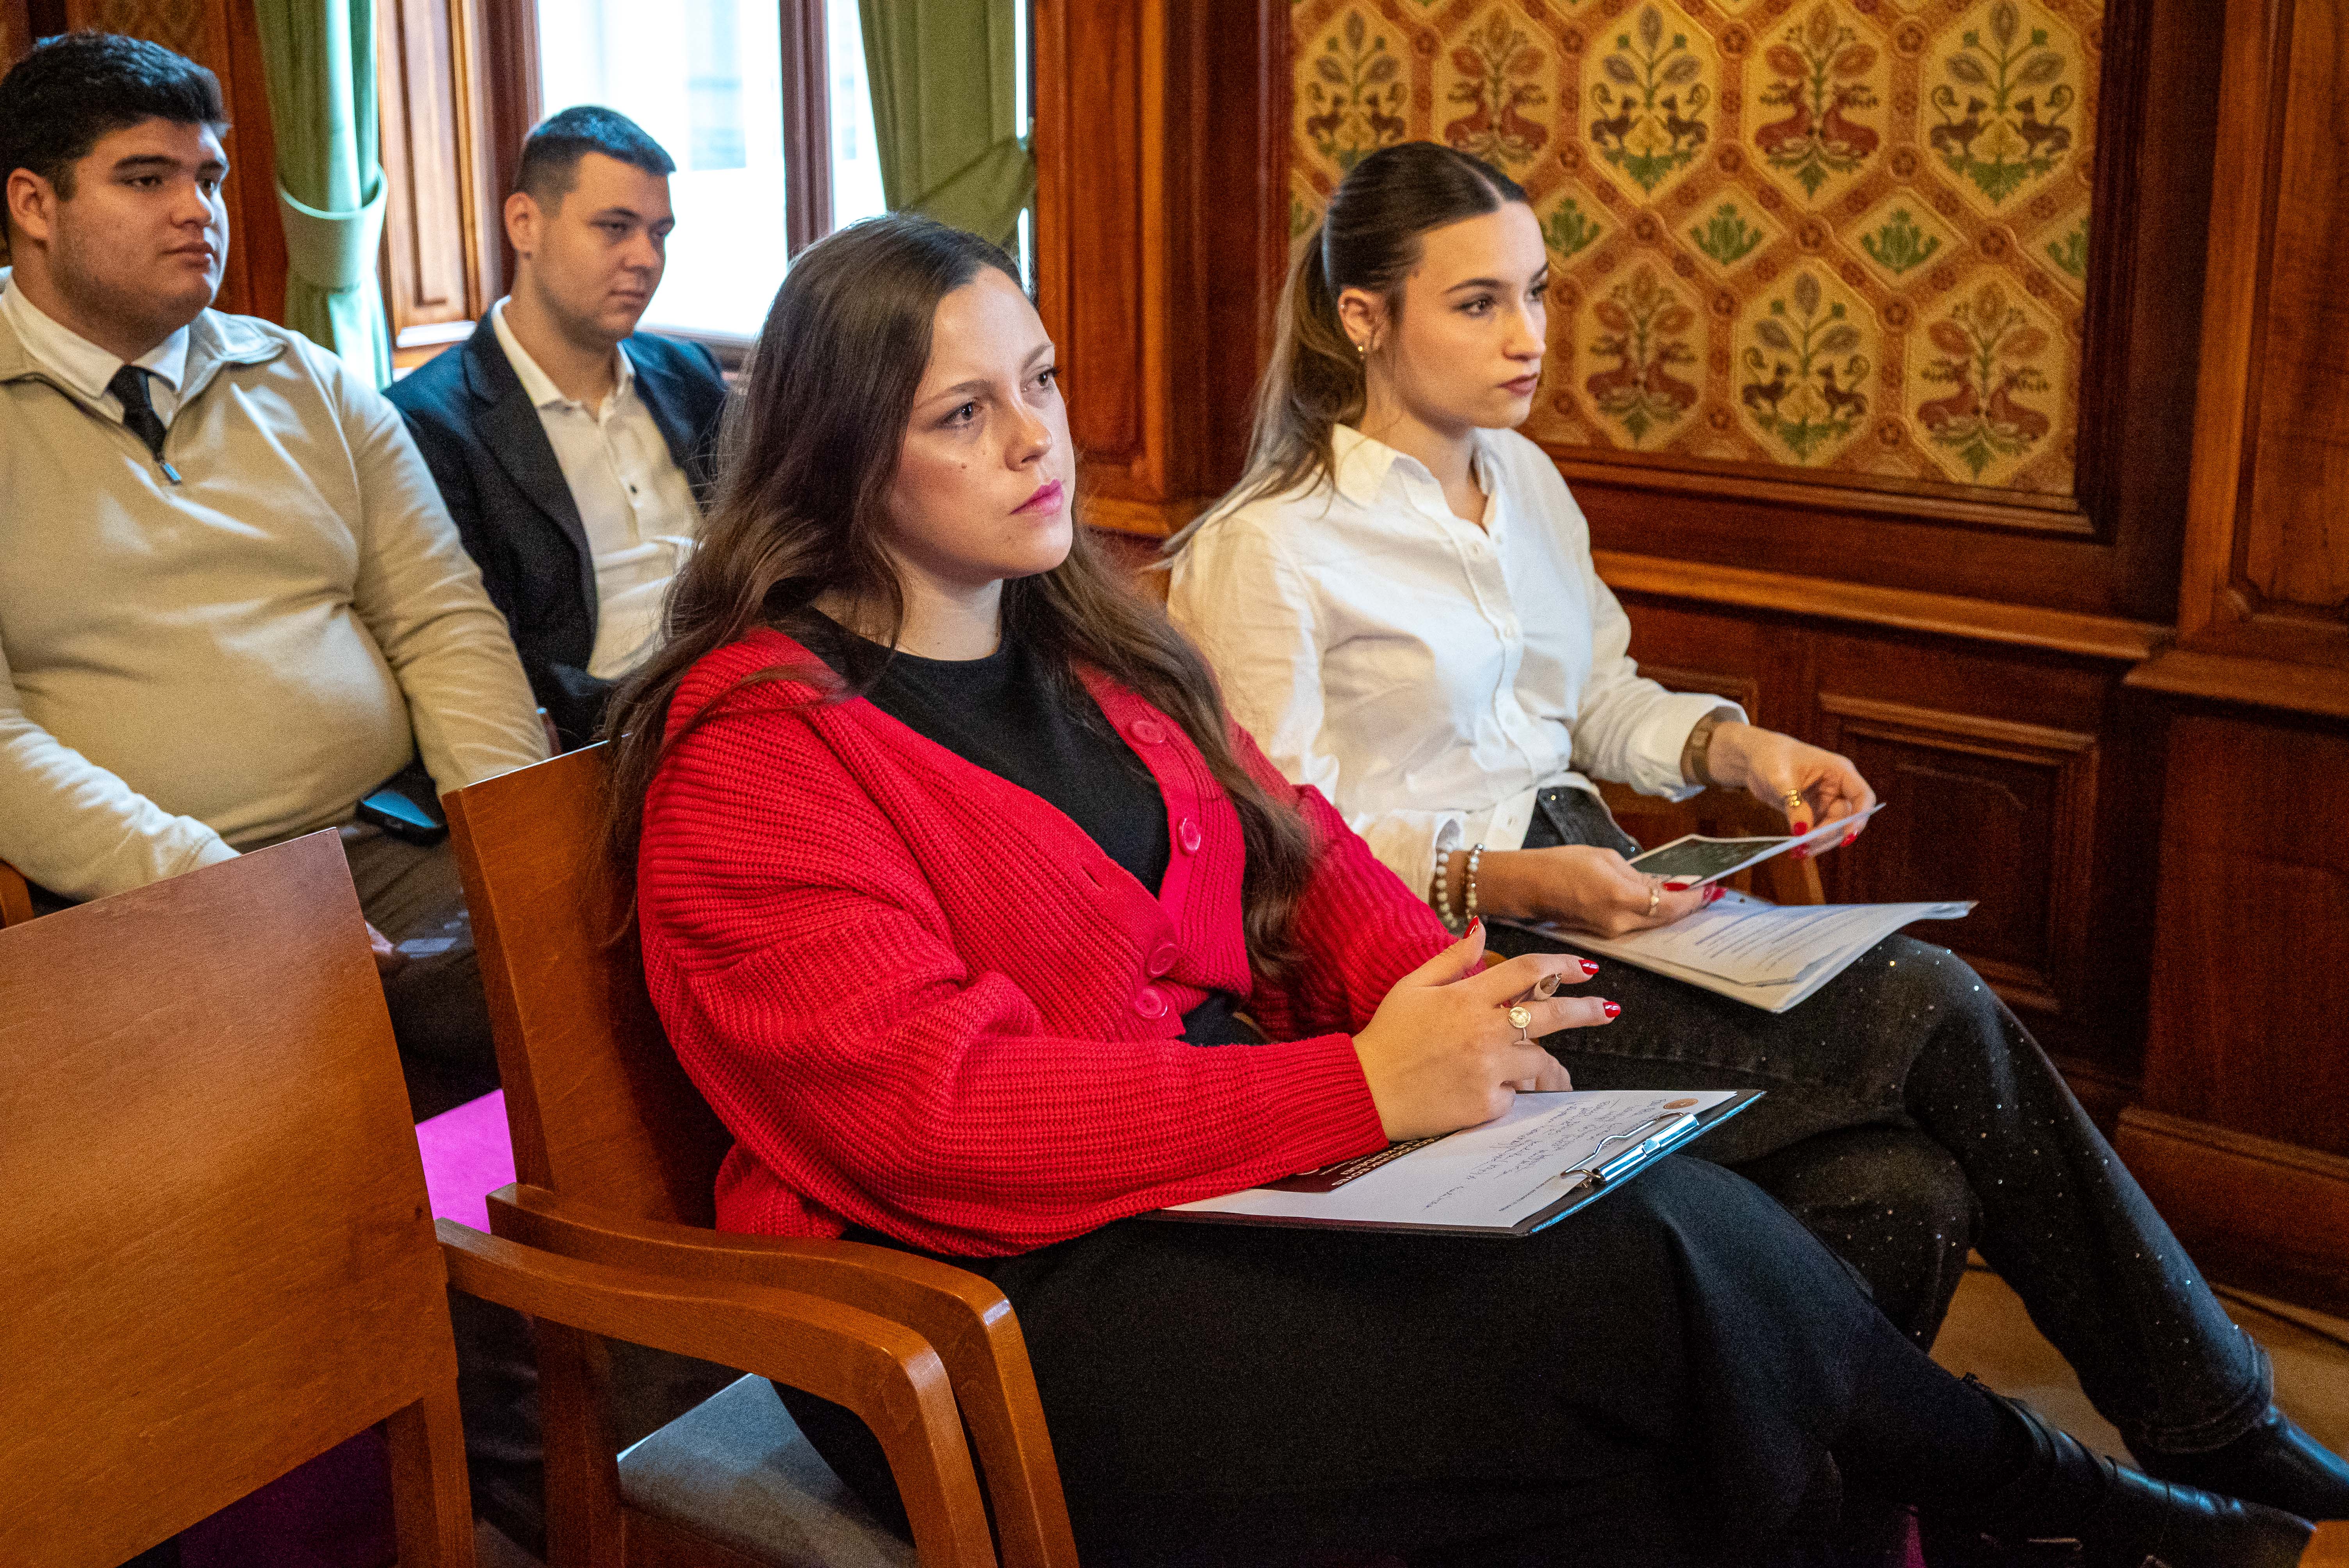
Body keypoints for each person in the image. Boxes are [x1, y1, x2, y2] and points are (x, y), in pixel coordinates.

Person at [602, 211, 2319, 1567]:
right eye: (962, 414)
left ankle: (1986, 1511)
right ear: (838, 454)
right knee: (1660, 1263)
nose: (1034, 438)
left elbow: (1298, 848)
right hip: (994, 1303)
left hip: (1222, 1174)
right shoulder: (757, 750)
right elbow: (938, 1120)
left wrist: (1456, 1004)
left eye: (1038, 380)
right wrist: (1361, 1085)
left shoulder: (1084, 641)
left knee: (1867, 1186)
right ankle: (2049, 1497)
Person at [1163, 139, 2349, 1532]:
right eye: (1478, 303)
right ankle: (2216, 1424)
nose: (1529, 336)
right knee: (1926, 998)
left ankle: (1826, 1521)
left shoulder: (1525, 483)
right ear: (1363, 316)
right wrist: (1505, 873)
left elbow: (1592, 698)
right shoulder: (1268, 545)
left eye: (1537, 292)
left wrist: (1733, 748)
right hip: (1448, 965)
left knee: (1896, 1188)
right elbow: (1274, 843)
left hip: (1603, 887)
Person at [0, 32, 547, 1112]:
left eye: (209, 178)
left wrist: (516, 838)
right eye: (146, 179)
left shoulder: (308, 381)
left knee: (610, 943)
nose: (197, 211)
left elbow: (443, 622)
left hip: (390, 839)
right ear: (33, 204)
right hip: (149, 892)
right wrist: (227, 887)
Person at [389, 105, 728, 749]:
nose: (646, 258)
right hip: (600, 734)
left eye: (659, 234)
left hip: (743, 684)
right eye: (615, 228)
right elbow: (478, 655)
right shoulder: (427, 421)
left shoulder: (687, 374)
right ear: (525, 223)